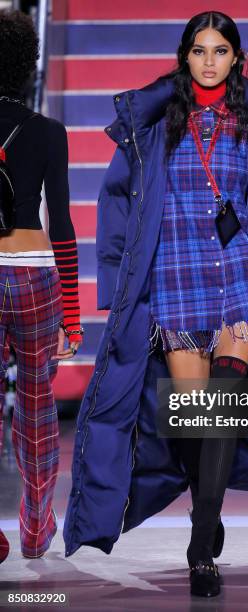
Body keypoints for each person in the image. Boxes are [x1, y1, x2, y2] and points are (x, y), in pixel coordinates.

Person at [63, 10, 248, 599]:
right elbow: (115, 205)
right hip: (175, 275)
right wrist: (116, 289)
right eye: (199, 50)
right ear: (184, 57)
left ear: (236, 59)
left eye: (220, 50)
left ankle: (200, 543)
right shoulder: (154, 126)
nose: (209, 61)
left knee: (225, 408)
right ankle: (205, 513)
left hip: (240, 276)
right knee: (193, 419)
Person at [0, 9, 83, 562]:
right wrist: (71, 318)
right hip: (34, 274)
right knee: (36, 405)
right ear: (30, 65)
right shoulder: (49, 133)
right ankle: (35, 525)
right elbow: (64, 225)